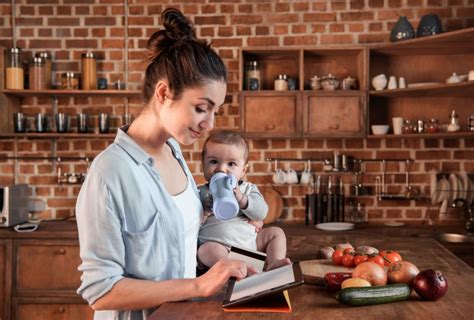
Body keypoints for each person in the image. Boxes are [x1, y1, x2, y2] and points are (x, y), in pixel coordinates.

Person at [75, 8, 255, 320]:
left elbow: (176, 233)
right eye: (201, 108)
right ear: (163, 93)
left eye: (216, 111)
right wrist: (197, 287)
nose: (209, 123)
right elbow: (100, 291)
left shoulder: (173, 150)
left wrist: (240, 236)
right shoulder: (111, 172)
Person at [198, 131, 291, 271]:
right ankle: (239, 269)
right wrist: (204, 211)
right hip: (221, 251)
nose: (222, 169)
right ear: (203, 165)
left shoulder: (247, 189)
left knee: (276, 233)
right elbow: (190, 222)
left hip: (250, 247)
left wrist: (242, 200)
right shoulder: (200, 193)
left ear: (243, 170)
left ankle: (273, 262)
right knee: (206, 250)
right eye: (213, 161)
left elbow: (262, 212)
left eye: (231, 163)